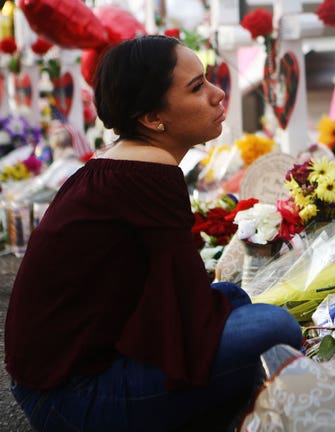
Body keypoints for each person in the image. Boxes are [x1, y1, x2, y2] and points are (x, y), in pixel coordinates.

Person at [4, 35, 303, 431]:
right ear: (151, 118)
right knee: (275, 328)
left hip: (52, 375)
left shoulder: (120, 161)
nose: (217, 95)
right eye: (197, 87)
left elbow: (170, 296)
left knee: (231, 296)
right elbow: (188, 309)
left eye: (208, 79)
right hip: (71, 396)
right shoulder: (150, 176)